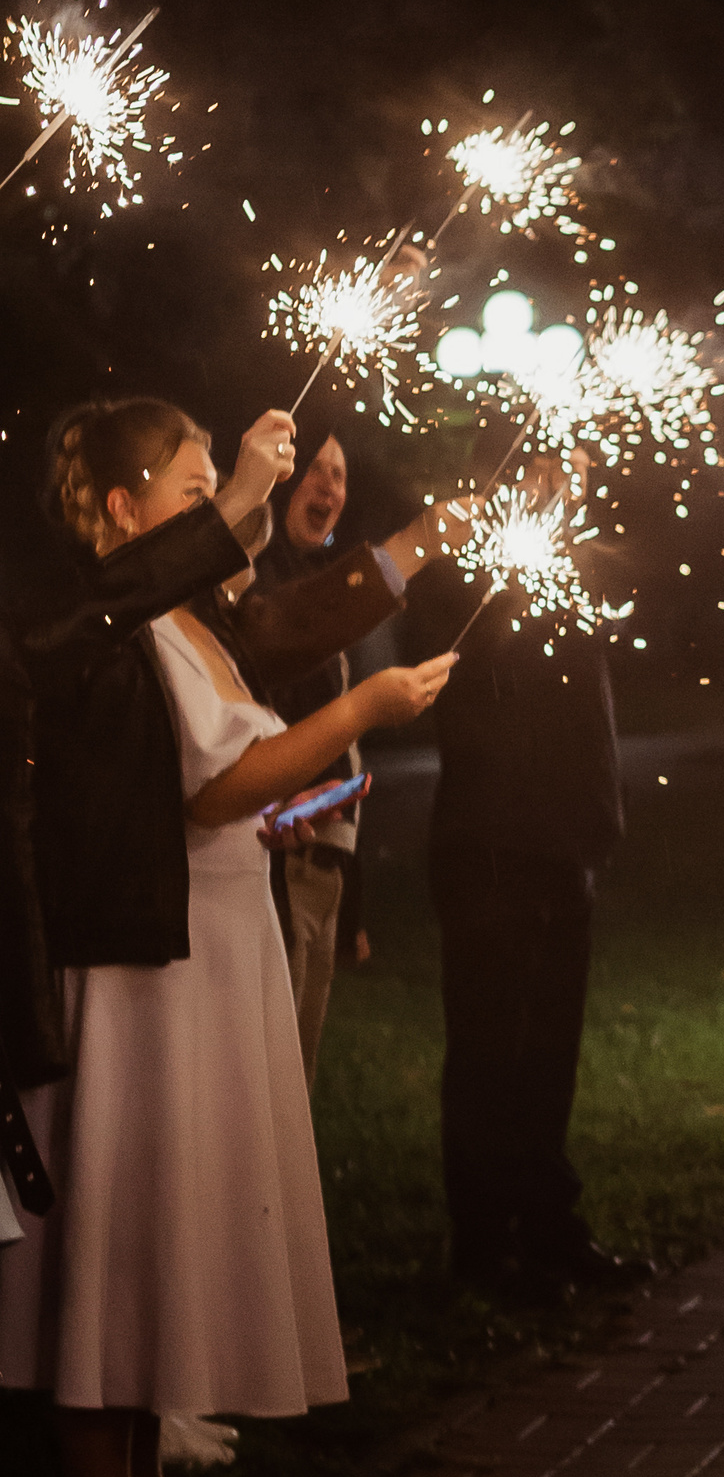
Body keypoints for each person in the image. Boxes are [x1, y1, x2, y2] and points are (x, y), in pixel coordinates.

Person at [0, 398, 452, 1477]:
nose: (228, 510)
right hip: (142, 973)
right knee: (119, 1229)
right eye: (199, 490)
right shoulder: (109, 624)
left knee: (169, 1225)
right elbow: (210, 788)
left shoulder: (194, 622)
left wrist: (292, 802)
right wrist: (356, 715)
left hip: (208, 951)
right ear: (122, 510)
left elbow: (218, 774)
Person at [407, 456, 650, 1300]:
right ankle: (486, 1242)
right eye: (554, 466)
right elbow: (464, 647)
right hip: (492, 841)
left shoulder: (575, 560)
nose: (571, 481)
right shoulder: (466, 565)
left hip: (566, 838)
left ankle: (548, 1222)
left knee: (548, 1048)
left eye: (578, 468)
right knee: (491, 1048)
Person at [247, 430, 473, 1083]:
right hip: (270, 867)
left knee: (296, 1081)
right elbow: (289, 644)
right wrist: (417, 542)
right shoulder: (257, 584)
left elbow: (339, 769)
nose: (327, 486)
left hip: (321, 868)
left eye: (339, 474)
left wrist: (349, 907)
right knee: (267, 1084)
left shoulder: (314, 581)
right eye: (312, 467)